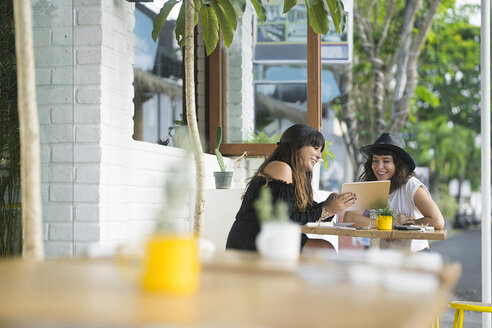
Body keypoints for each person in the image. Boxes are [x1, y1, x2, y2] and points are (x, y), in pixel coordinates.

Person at [226, 124, 356, 252]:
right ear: (297, 146)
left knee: (323, 248)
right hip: (253, 240)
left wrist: (330, 205)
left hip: (272, 237)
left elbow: (300, 213)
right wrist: (327, 210)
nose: (319, 156)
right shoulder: (281, 168)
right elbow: (287, 219)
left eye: (320, 151)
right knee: (323, 249)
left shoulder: (294, 174)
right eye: (315, 148)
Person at [343, 133, 445, 252]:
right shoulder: (372, 185)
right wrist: (389, 224)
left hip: (414, 256)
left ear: (398, 164)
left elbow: (437, 221)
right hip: (384, 258)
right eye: (375, 160)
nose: (379, 167)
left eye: (386, 161)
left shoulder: (410, 185)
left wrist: (402, 226)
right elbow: (349, 219)